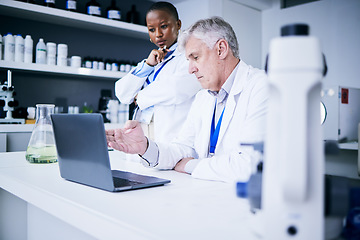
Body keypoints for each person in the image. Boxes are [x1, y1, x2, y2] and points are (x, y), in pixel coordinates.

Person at [107, 17, 268, 183]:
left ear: (221, 49)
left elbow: (252, 166)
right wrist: (145, 147)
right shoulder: (203, 97)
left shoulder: (261, 86)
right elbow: (182, 148)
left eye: (196, 57)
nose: (191, 70)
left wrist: (191, 166)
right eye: (188, 61)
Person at [115, 1, 201, 143]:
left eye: (164, 26)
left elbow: (175, 89)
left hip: (169, 135)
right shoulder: (152, 60)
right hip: (142, 130)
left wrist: (139, 97)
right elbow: (122, 93)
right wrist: (148, 65)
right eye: (152, 29)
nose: (158, 34)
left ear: (178, 25)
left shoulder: (188, 56)